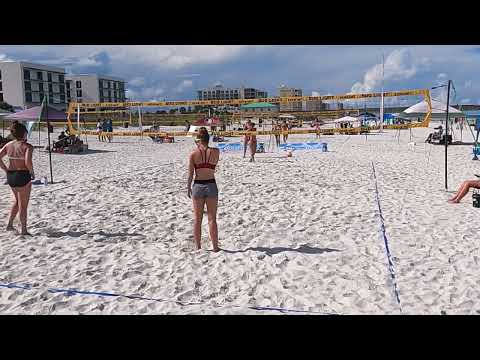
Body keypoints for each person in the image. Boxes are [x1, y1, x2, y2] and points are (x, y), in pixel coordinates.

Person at [187, 127, 220, 252]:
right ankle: (215, 247)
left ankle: (198, 246)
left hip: (198, 185)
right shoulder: (216, 152)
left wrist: (188, 187)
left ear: (198, 139)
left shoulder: (193, 154)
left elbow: (190, 174)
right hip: (211, 184)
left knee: (198, 219)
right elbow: (213, 161)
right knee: (212, 219)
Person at [0, 121, 34, 235]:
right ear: (24, 133)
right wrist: (32, 171)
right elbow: (27, 161)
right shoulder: (27, 146)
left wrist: (5, 169)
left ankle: (10, 224)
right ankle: (24, 230)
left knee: (16, 201)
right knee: (23, 205)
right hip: (22, 175)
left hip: (11, 176)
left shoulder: (9, 145)